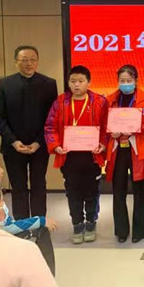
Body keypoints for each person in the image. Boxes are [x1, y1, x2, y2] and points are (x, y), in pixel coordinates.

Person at [45, 65, 108, 244]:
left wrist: (103, 144)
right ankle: (77, 224)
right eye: (73, 81)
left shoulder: (100, 102)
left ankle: (91, 224)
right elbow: (50, 127)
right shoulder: (60, 102)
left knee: (92, 193)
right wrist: (56, 146)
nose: (76, 85)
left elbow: (106, 127)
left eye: (81, 81)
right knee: (73, 193)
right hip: (69, 157)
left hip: (92, 157)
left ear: (89, 82)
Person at [0, 45, 57, 220]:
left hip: (39, 145)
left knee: (39, 184)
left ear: (37, 62)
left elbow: (52, 117)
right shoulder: (5, 84)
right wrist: (13, 141)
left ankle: (39, 223)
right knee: (18, 186)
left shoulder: (49, 84)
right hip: (13, 146)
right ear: (16, 62)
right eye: (24, 60)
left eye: (32, 60)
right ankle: (21, 224)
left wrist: (39, 142)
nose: (29, 63)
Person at [104, 65, 144, 244]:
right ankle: (121, 231)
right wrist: (111, 132)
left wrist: (136, 128)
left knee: (140, 191)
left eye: (129, 80)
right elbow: (105, 123)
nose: (125, 83)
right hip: (118, 148)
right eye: (122, 80)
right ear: (117, 81)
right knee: (118, 191)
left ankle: (139, 231)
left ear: (136, 81)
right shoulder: (110, 99)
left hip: (137, 148)